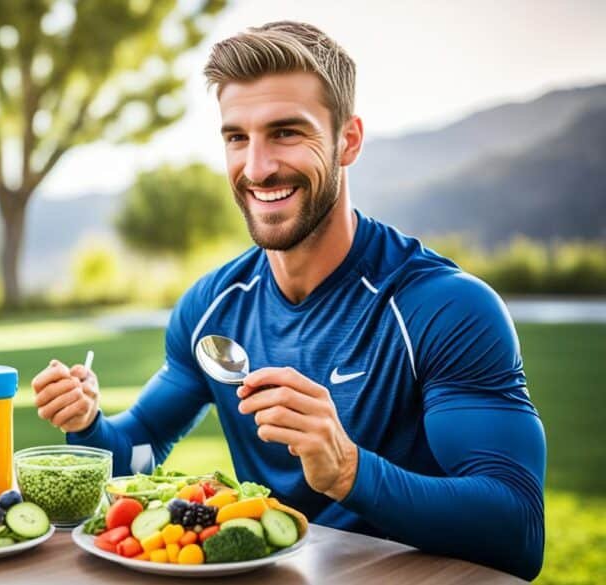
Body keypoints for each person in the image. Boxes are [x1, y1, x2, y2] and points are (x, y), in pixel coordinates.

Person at [30, 21, 545, 580]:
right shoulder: (210, 306)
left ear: (347, 140)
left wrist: (350, 471)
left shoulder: (444, 308)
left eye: (286, 133)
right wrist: (86, 424)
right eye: (237, 138)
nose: (257, 167)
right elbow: (137, 452)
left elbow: (517, 530)